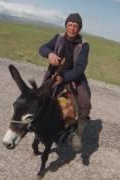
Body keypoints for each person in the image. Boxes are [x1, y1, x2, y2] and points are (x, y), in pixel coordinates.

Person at [39, 13, 91, 152]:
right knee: (41, 97)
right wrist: (49, 54)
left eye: (75, 26)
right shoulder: (58, 38)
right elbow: (42, 48)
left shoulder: (84, 45)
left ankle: (77, 135)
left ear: (79, 28)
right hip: (56, 73)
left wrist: (64, 78)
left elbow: (80, 68)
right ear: (66, 26)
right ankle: (37, 125)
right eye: (70, 25)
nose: (72, 28)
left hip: (74, 77)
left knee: (85, 103)